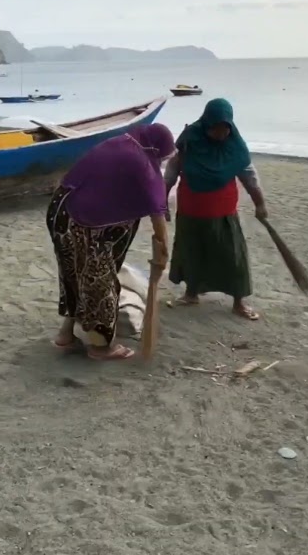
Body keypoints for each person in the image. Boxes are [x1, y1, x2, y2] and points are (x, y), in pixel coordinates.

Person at [48, 123, 176, 360]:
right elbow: (157, 213)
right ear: (155, 149)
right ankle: (100, 347)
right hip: (80, 221)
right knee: (100, 283)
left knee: (74, 274)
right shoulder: (141, 162)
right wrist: (163, 252)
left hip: (61, 210)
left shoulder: (122, 142)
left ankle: (65, 335)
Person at [163, 98, 267, 320]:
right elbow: (173, 169)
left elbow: (248, 175)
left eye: (225, 128)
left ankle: (239, 302)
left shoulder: (235, 146)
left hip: (223, 211)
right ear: (206, 123)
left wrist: (260, 203)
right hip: (190, 209)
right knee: (192, 253)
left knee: (232, 257)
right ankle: (191, 294)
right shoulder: (190, 140)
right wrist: (162, 199)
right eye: (215, 128)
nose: (220, 133)